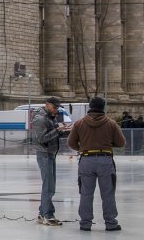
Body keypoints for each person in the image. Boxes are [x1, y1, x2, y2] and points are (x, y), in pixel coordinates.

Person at [67, 97, 126, 231]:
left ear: (90, 107)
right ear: (103, 108)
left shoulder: (79, 123)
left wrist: (82, 148)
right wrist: (110, 144)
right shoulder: (111, 123)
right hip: (105, 160)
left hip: (86, 160)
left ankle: (85, 223)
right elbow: (121, 143)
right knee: (108, 193)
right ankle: (111, 223)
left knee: (86, 193)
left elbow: (71, 143)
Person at [31, 96, 70, 226]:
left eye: (58, 107)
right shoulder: (40, 118)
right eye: (54, 107)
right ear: (47, 104)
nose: (56, 110)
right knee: (48, 187)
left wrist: (63, 131)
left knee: (50, 186)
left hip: (50, 154)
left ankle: (42, 214)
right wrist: (57, 130)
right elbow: (42, 139)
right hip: (45, 155)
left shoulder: (49, 117)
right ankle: (48, 215)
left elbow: (52, 134)